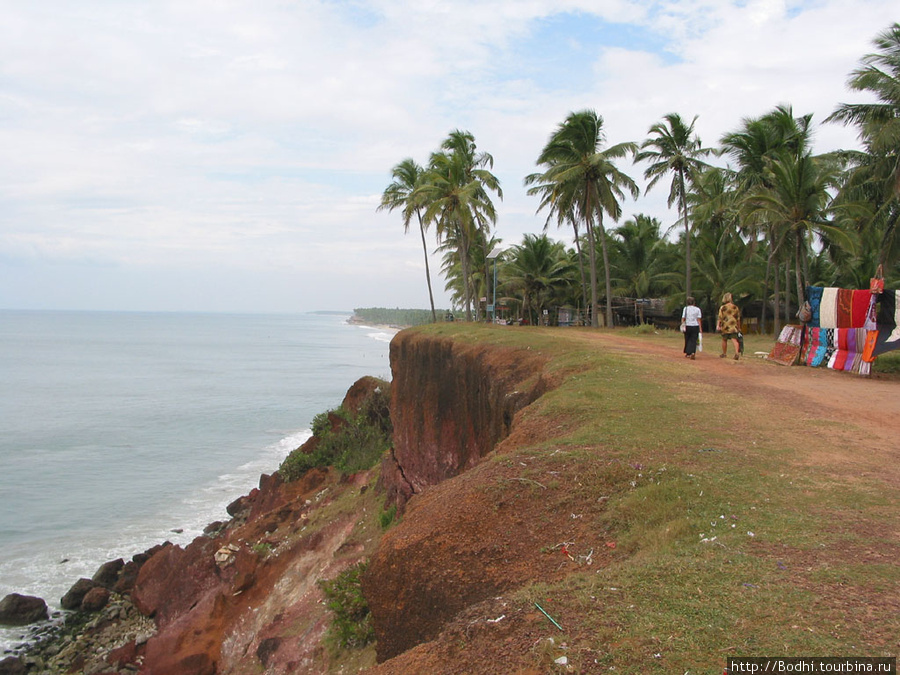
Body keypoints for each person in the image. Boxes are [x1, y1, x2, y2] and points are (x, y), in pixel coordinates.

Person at [717, 292, 742, 360]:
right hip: (733, 325)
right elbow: (738, 318)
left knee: (724, 339)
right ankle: (737, 353)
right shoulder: (735, 307)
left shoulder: (723, 307)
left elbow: (720, 317)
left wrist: (718, 325)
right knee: (734, 340)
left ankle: (724, 353)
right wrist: (739, 327)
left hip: (725, 325)